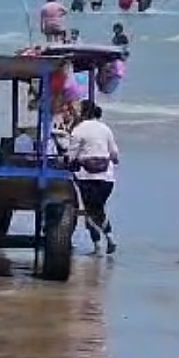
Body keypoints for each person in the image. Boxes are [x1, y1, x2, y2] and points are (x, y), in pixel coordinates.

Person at [68, 102, 120, 255]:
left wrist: (69, 163)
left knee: (91, 211)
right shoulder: (106, 129)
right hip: (107, 178)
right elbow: (114, 153)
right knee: (97, 209)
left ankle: (105, 241)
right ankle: (102, 243)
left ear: (84, 113)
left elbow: (71, 155)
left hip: (87, 177)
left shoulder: (79, 130)